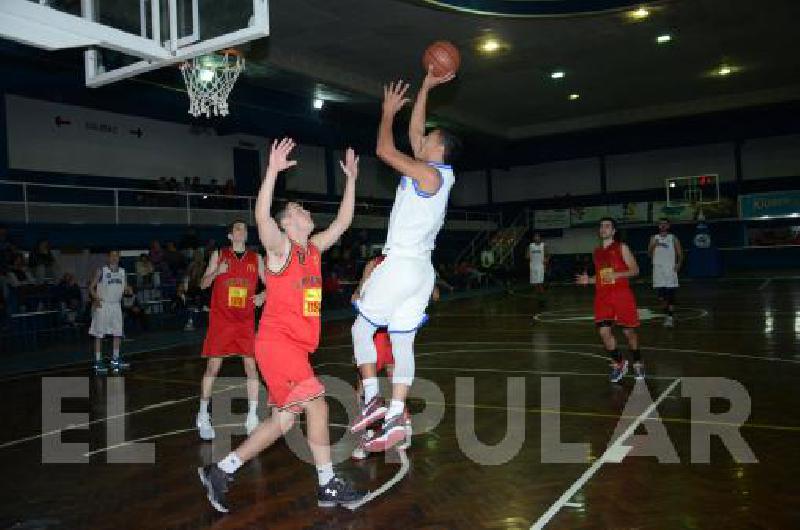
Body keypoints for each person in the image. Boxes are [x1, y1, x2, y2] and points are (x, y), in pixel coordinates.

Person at [198, 138, 365, 512]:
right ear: (288, 224)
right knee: (318, 406)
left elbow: (343, 221)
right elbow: (260, 219)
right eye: (296, 209)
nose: (304, 210)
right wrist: (271, 171)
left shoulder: (313, 249)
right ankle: (327, 485)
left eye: (302, 208)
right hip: (278, 345)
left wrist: (351, 179)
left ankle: (221, 471)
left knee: (285, 421)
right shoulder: (281, 250)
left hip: (294, 347)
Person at [351, 67, 461, 452]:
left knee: (361, 331)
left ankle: (371, 399)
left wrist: (386, 113)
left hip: (400, 265)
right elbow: (414, 133)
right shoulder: (438, 175)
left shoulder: (429, 175)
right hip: (421, 271)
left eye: (428, 139)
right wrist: (427, 86)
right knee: (402, 344)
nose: (422, 139)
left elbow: (384, 150)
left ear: (439, 149)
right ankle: (397, 414)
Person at [195, 220, 267, 440]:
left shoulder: (257, 258)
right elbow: (203, 284)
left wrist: (264, 295)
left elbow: (272, 284)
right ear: (229, 236)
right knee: (213, 367)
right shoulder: (220, 255)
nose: (241, 231)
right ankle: (203, 415)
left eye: (244, 228)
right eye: (237, 228)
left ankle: (253, 416)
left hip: (245, 321)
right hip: (222, 320)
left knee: (251, 367)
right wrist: (217, 271)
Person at [576, 218, 644, 382]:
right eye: (601, 226)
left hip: (621, 295)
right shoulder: (597, 251)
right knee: (603, 332)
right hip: (603, 296)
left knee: (629, 332)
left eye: (607, 226)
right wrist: (589, 280)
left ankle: (638, 361)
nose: (603, 229)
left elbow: (635, 270)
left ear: (613, 231)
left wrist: (617, 275)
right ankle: (619, 362)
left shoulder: (622, 247)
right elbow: (601, 276)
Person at [89, 250, 129, 375]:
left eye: (116, 256)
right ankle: (97, 361)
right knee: (99, 334)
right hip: (104, 305)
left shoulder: (122, 272)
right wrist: (96, 298)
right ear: (108, 258)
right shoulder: (102, 271)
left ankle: (115, 359)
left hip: (116, 305)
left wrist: (128, 289)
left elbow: (126, 288)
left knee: (117, 333)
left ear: (119, 258)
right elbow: (91, 287)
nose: (114, 258)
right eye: (112, 255)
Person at [648, 218, 683, 328]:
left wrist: (678, 264)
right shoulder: (654, 238)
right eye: (661, 224)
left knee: (670, 295)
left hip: (670, 269)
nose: (663, 226)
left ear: (668, 226)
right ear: (658, 226)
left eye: (665, 224)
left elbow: (680, 254)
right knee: (661, 297)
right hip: (658, 270)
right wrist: (654, 245)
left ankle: (670, 317)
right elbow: (649, 254)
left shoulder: (673, 238)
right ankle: (667, 314)